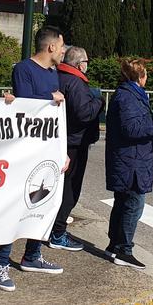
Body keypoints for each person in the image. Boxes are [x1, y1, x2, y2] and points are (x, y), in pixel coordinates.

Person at [0, 26, 67, 291]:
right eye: (62, 45)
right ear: (51, 47)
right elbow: (24, 102)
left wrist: (61, 152)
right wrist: (50, 97)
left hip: (46, 151)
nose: (64, 51)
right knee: (16, 207)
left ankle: (32, 255)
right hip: (24, 152)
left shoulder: (53, 73)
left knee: (43, 202)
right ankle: (1, 265)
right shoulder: (23, 68)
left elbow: (55, 120)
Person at [104, 59, 153, 269]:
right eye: (146, 74)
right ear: (139, 77)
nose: (147, 78)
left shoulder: (128, 94)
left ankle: (114, 245)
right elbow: (131, 129)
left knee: (123, 202)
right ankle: (123, 249)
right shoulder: (128, 97)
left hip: (130, 158)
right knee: (133, 203)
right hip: (130, 160)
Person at [48, 46, 102, 252]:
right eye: (86, 61)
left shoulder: (58, 76)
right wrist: (98, 102)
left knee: (58, 187)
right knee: (70, 190)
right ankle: (58, 232)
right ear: (80, 64)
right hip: (74, 143)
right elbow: (84, 113)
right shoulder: (76, 82)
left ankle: (53, 228)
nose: (88, 65)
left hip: (60, 139)